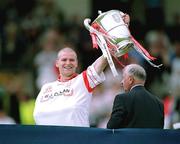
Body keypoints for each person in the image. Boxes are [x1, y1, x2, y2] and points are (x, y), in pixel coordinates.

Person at [33, 13, 130, 127]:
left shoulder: (82, 81)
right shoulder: (46, 87)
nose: (68, 63)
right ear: (57, 63)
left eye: (72, 60)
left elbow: (103, 60)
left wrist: (118, 34)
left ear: (77, 64)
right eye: (64, 60)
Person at [107, 64, 164, 129]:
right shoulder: (159, 103)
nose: (121, 82)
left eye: (123, 78)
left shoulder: (122, 99)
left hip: (129, 139)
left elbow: (111, 127)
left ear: (130, 80)